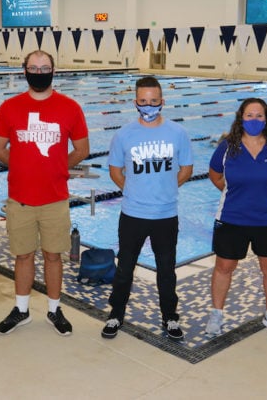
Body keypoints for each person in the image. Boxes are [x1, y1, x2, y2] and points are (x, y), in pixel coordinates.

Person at [0, 50, 89, 336]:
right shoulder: (10, 107)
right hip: (20, 198)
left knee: (53, 256)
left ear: (53, 70)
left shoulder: (70, 107)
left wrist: (57, 168)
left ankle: (54, 309)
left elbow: (82, 149)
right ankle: (21, 310)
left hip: (55, 198)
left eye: (44, 67)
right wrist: (22, 166)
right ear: (25, 70)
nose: (39, 71)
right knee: (22, 256)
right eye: (33, 67)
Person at [101, 76, 193, 340]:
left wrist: (167, 189)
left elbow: (186, 169)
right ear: (135, 103)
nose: (148, 106)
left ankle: (170, 317)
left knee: (167, 270)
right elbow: (115, 170)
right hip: (132, 214)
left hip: (166, 215)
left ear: (163, 102)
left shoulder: (178, 133)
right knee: (125, 268)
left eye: (154, 101)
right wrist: (132, 190)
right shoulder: (124, 135)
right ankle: (116, 314)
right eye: (143, 101)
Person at [204, 98, 267, 338]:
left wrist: (262, 190)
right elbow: (215, 175)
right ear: (241, 117)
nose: (254, 120)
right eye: (250, 115)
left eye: (259, 116)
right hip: (232, 218)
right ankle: (217, 313)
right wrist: (233, 192)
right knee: (224, 267)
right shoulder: (227, 147)